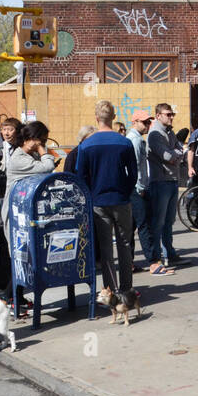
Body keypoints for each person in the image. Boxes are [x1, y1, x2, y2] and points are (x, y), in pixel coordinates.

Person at [78, 100, 139, 301]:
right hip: (121, 199)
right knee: (124, 244)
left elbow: (81, 176)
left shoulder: (86, 145)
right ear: (113, 117)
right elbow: (133, 173)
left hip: (98, 201)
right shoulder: (124, 142)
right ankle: (127, 289)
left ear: (96, 118)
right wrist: (126, 191)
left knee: (106, 249)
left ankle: (110, 290)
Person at [146, 102, 182, 274]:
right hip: (160, 182)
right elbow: (169, 156)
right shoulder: (154, 134)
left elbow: (179, 152)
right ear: (158, 115)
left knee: (169, 221)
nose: (171, 116)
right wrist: (175, 154)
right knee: (158, 222)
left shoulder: (170, 131)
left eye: (171, 114)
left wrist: (176, 153)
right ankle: (157, 258)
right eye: (168, 114)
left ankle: (170, 253)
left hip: (172, 180)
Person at [2, 121, 57, 223]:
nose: (43, 144)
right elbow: (48, 166)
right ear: (31, 138)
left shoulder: (33, 156)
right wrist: (41, 148)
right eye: (42, 141)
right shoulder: (19, 159)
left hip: (27, 209)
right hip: (15, 214)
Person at [127, 110, 157, 273]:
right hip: (137, 189)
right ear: (135, 122)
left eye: (148, 122)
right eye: (144, 122)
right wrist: (140, 188)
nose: (147, 125)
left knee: (130, 227)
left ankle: (128, 263)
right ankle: (152, 262)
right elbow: (136, 166)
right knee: (144, 224)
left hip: (134, 188)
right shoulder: (135, 141)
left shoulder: (136, 139)